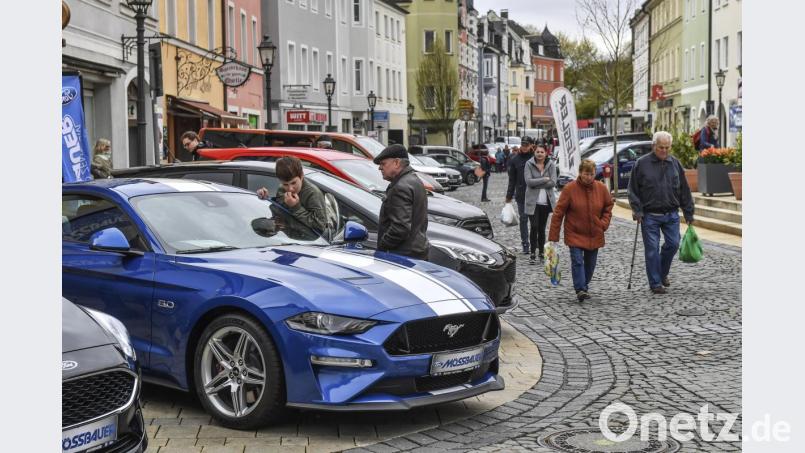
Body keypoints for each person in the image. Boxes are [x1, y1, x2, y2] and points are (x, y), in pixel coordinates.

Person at [627, 131, 695, 295]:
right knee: (651, 249)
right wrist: (637, 209)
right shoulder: (641, 164)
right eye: (661, 148)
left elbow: (684, 190)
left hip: (671, 213)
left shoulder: (675, 164)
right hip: (649, 215)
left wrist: (689, 213)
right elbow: (632, 189)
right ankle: (655, 283)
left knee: (673, 244)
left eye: (667, 148)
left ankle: (662, 273)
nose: (664, 151)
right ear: (653, 146)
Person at [548, 159, 614, 302]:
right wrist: (553, 236)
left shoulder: (601, 188)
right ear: (580, 173)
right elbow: (558, 213)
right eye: (586, 174)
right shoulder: (569, 189)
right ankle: (580, 289)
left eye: (591, 174)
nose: (589, 177)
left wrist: (603, 224)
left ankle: (583, 284)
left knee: (590, 265)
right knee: (577, 261)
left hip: (594, 233)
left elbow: (608, 207)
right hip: (575, 232)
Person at [373, 144, 430, 260]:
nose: (379, 168)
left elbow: (400, 228)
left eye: (383, 164)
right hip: (415, 251)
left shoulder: (401, 187)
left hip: (402, 255)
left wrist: (382, 247)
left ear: (397, 163)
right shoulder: (414, 180)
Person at [256, 156, 328, 233]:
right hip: (287, 237)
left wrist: (296, 207)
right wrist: (267, 198)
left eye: (293, 183)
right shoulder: (281, 189)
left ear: (301, 176)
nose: (290, 188)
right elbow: (279, 213)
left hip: (308, 241)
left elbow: (320, 225)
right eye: (285, 184)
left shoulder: (313, 193)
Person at [524, 145, 557, 264]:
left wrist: (536, 182)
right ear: (534, 153)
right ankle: (532, 252)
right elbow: (528, 182)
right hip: (533, 202)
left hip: (546, 202)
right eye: (537, 152)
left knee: (542, 228)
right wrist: (544, 179)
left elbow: (553, 182)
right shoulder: (529, 164)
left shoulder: (551, 165)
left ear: (546, 154)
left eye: (542, 152)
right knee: (534, 226)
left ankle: (542, 253)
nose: (539, 154)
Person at [505, 144, 533, 254]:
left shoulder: (535, 157)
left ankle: (535, 243)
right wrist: (509, 196)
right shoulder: (515, 159)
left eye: (527, 144)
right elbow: (512, 179)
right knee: (523, 219)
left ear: (530, 145)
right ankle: (525, 243)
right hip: (521, 194)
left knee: (535, 222)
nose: (525, 147)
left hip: (535, 194)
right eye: (523, 144)